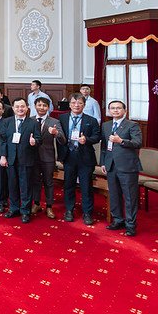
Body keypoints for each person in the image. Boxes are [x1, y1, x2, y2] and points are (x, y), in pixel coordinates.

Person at [57, 93, 101, 225]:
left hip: (85, 157)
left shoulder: (91, 120)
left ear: (84, 105)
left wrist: (86, 139)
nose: (76, 105)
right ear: (69, 105)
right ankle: (69, 210)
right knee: (68, 185)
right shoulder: (62, 118)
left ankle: (87, 213)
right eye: (73, 103)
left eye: (80, 103)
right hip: (69, 155)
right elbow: (60, 137)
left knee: (86, 186)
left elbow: (97, 137)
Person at [101, 100, 143, 237]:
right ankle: (118, 220)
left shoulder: (132, 125)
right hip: (111, 165)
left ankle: (130, 225)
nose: (115, 110)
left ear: (125, 111)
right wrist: (103, 163)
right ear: (109, 111)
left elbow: (138, 143)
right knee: (114, 195)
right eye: (112, 108)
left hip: (127, 166)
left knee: (130, 197)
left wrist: (121, 141)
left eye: (118, 108)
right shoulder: (106, 125)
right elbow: (104, 147)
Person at [0, 98, 41, 224]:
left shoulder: (33, 123)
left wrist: (34, 142)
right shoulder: (6, 122)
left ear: (27, 108)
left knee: (25, 187)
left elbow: (39, 139)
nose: (20, 109)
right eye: (17, 107)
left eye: (22, 106)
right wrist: (3, 156)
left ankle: (25, 211)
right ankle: (14, 208)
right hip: (11, 159)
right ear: (13, 108)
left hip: (27, 159)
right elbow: (3, 140)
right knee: (12, 185)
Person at [31, 97, 66, 219]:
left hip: (48, 156)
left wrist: (56, 133)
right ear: (35, 106)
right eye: (39, 105)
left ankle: (49, 206)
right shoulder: (30, 120)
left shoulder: (54, 122)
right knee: (35, 181)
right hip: (33, 157)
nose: (41, 108)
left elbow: (63, 140)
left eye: (44, 105)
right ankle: (36, 203)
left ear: (48, 107)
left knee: (49, 182)